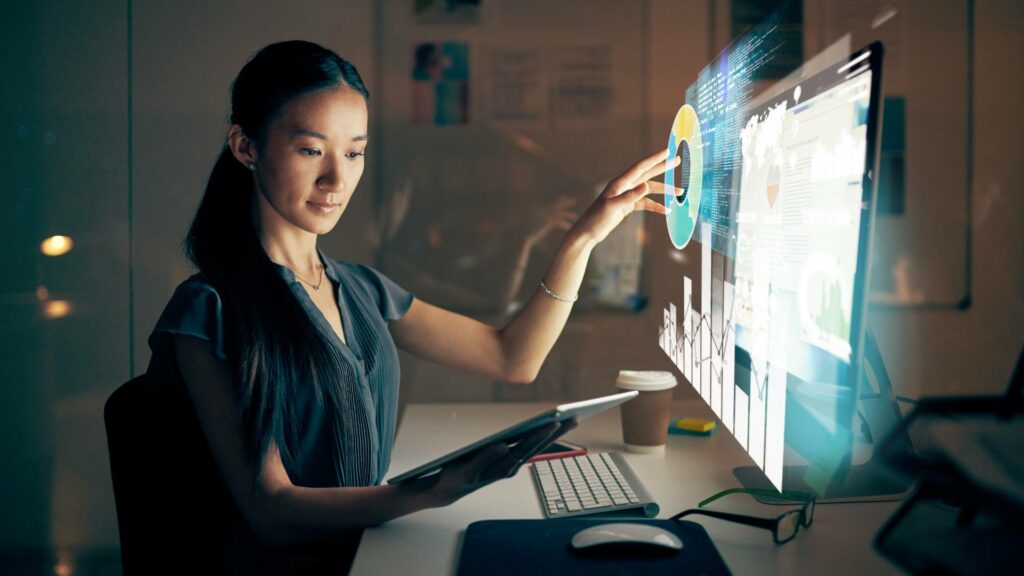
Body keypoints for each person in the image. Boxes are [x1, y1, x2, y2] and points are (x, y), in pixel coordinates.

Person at [146, 40, 677, 572]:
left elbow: (513, 358)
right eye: (311, 150)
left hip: (377, 547)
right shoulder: (209, 310)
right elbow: (272, 512)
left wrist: (583, 238)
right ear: (246, 147)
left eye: (354, 152)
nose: (337, 180)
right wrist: (432, 491)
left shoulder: (359, 288)